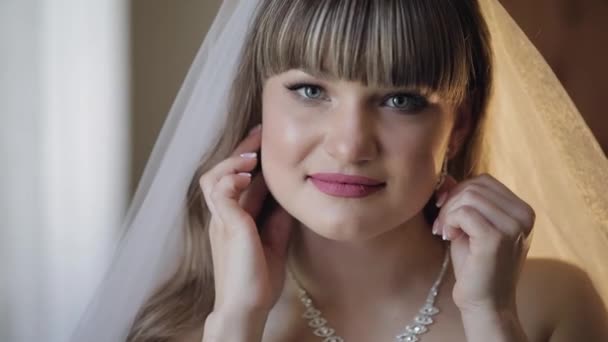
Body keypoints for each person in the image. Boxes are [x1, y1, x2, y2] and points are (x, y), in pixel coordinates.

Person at [70, 0, 608, 341]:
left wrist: (491, 319)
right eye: (310, 91)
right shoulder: (180, 328)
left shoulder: (553, 308)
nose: (351, 146)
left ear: (458, 126)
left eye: (400, 100)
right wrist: (238, 322)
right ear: (259, 106)